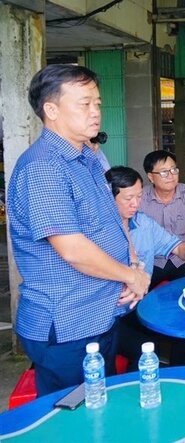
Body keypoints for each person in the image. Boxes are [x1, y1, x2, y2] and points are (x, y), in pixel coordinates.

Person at [7, 65, 150, 396]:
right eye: (84, 104)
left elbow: (110, 221)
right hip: (68, 323)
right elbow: (72, 249)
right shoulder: (43, 167)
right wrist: (132, 277)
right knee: (76, 416)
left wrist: (131, 263)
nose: (95, 112)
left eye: (97, 103)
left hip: (98, 316)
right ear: (51, 110)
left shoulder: (87, 158)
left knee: (100, 408)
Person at [106, 166, 185, 368]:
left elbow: (178, 246)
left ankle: (180, 377)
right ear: (108, 197)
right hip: (109, 315)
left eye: (139, 196)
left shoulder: (143, 224)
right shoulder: (97, 231)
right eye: (128, 198)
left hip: (137, 307)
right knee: (144, 348)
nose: (136, 204)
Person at [141, 150, 185, 288]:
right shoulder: (140, 198)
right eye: (164, 172)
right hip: (150, 262)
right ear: (150, 176)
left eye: (174, 170)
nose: (171, 176)